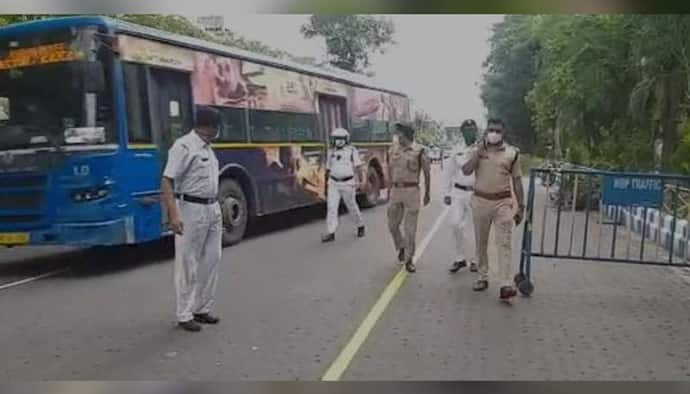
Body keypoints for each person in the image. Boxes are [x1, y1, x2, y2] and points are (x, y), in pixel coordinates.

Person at [161, 106, 223, 332]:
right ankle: (184, 313)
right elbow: (166, 181)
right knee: (188, 263)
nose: (218, 130)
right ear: (209, 126)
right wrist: (173, 215)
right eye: (217, 126)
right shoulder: (184, 146)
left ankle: (202, 308)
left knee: (212, 259)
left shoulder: (208, 148)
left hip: (212, 207)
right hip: (191, 208)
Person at [462, 118, 524, 303]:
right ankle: (483, 276)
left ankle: (505, 283)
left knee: (504, 242)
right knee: (481, 242)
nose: (493, 134)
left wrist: (520, 206)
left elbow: (518, 181)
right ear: (486, 131)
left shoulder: (512, 153)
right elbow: (466, 171)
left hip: (502, 203)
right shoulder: (478, 151)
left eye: (497, 130)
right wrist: (478, 153)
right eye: (490, 130)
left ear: (503, 133)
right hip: (481, 201)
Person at [387, 122, 431, 273]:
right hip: (396, 191)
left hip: (412, 191)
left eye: (399, 133)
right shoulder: (393, 150)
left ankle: (409, 259)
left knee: (410, 229)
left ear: (406, 134)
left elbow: (426, 172)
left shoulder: (419, 151)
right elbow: (389, 170)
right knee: (392, 226)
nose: (397, 136)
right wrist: (388, 190)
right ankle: (401, 247)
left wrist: (427, 192)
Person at [444, 119, 479, 274]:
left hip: (476, 192)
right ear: (462, 132)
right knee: (455, 224)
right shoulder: (456, 149)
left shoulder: (482, 149)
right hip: (458, 192)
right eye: (467, 129)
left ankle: (475, 260)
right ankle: (460, 258)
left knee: (476, 228)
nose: (470, 131)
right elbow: (449, 172)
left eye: (473, 129)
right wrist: (446, 192)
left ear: (476, 131)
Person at [322, 127, 366, 242]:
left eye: (341, 139)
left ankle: (360, 225)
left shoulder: (352, 151)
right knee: (331, 207)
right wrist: (325, 186)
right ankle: (331, 232)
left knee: (352, 206)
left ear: (346, 139)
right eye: (336, 139)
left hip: (348, 183)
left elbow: (358, 167)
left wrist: (361, 181)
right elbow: (327, 169)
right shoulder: (331, 151)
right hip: (333, 183)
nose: (339, 141)